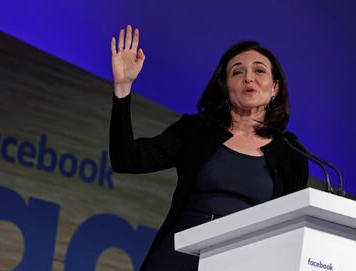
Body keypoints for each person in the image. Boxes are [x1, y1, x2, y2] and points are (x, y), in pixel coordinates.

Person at [109, 25, 309, 271]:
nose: (249, 78)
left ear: (275, 89)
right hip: (179, 256)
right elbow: (126, 159)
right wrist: (123, 87)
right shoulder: (196, 131)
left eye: (259, 70)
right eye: (237, 72)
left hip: (243, 261)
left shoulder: (291, 154)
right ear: (225, 87)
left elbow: (291, 232)